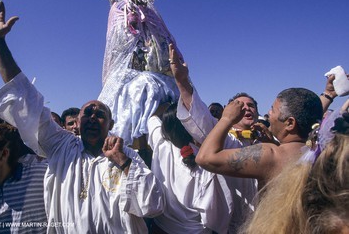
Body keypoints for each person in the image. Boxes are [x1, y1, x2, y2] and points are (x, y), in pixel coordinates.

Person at [0, 0, 165, 233]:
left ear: (111, 123)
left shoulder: (128, 155)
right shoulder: (60, 146)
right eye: (87, 112)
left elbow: (153, 206)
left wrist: (122, 162)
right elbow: (26, 98)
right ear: (77, 122)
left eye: (100, 114)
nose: (92, 117)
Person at [168, 44, 265, 232]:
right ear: (229, 111)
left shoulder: (266, 142)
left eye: (251, 105)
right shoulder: (225, 140)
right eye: (239, 105)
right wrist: (182, 81)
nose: (246, 108)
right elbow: (202, 121)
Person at [240, 99, 349, 234]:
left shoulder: (275, 155)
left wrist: (226, 119)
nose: (269, 113)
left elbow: (208, 156)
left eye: (273, 109)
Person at [97, 0, 181, 147]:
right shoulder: (118, 7)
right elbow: (116, 35)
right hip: (128, 62)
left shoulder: (148, 7)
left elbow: (160, 31)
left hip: (153, 60)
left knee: (151, 84)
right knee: (137, 89)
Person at [148, 102, 233, 234]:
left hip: (162, 227)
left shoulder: (160, 143)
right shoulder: (204, 161)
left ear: (165, 127)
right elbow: (213, 215)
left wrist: (166, 104)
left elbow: (151, 119)